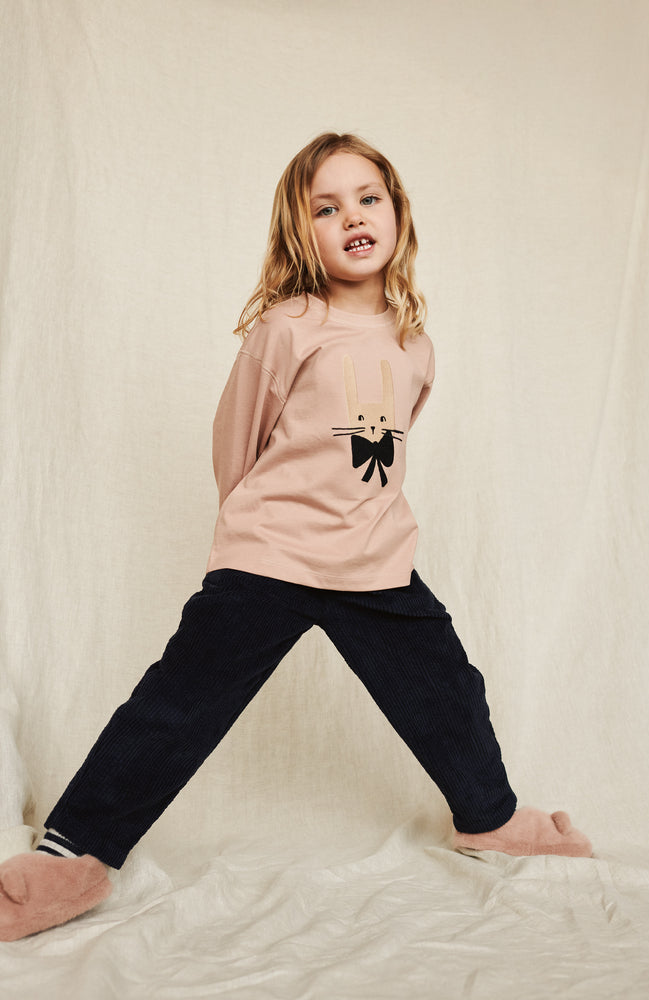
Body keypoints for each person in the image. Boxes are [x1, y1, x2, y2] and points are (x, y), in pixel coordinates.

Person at [0, 132, 592, 942]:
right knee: (176, 703)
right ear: (300, 231)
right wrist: (252, 524)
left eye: (367, 198)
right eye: (326, 207)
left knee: (448, 688)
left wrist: (361, 524)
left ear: (396, 212)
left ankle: (488, 817)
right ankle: (75, 854)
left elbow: (385, 453)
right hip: (272, 554)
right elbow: (235, 437)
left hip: (374, 558)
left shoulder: (414, 343)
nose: (352, 217)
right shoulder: (288, 326)